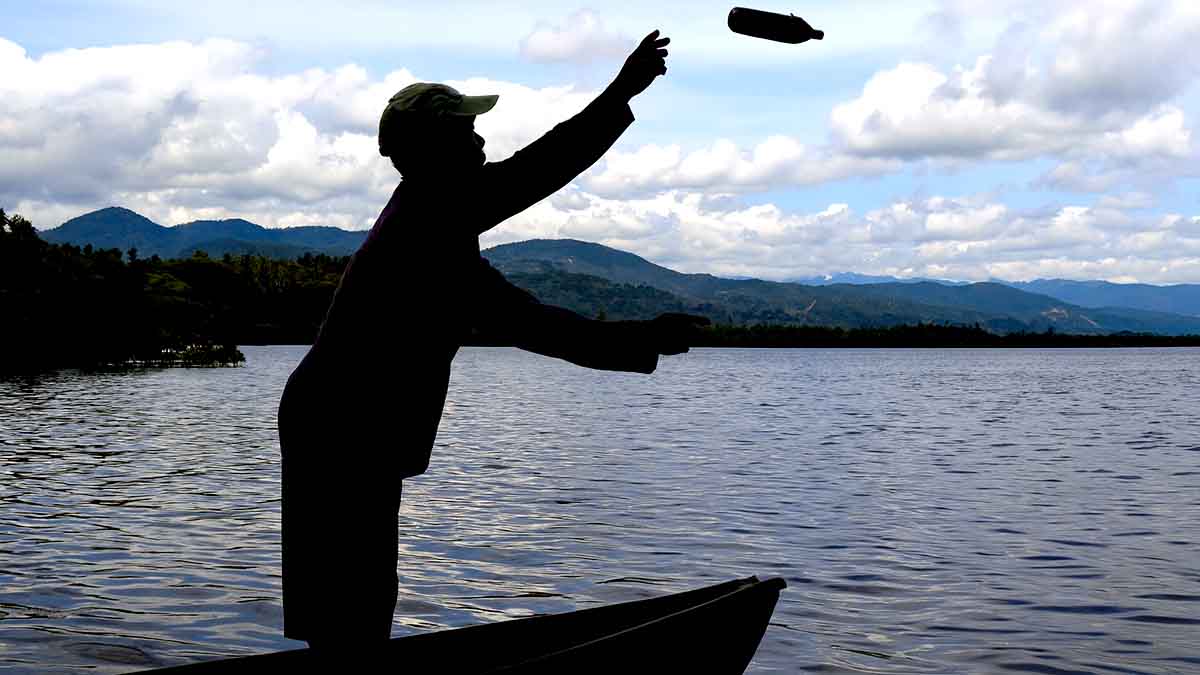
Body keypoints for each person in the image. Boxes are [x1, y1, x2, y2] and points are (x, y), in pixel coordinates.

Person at [276, 29, 707, 655]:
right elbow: (535, 183)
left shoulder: (434, 226)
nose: (480, 141)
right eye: (463, 131)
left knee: (356, 603)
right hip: (341, 424)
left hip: (342, 421)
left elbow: (529, 311)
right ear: (426, 148)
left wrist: (645, 338)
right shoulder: (429, 213)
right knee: (350, 603)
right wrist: (619, 93)